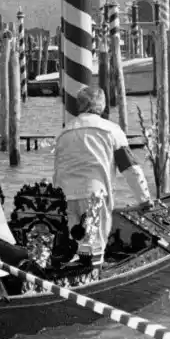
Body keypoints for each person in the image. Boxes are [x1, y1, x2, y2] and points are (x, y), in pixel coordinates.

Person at [52, 85, 151, 265]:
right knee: (93, 249)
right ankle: (91, 280)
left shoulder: (63, 133)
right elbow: (130, 168)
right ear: (103, 106)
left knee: (76, 245)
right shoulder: (111, 130)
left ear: (78, 106)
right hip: (95, 197)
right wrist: (144, 199)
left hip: (65, 197)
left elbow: (57, 170)